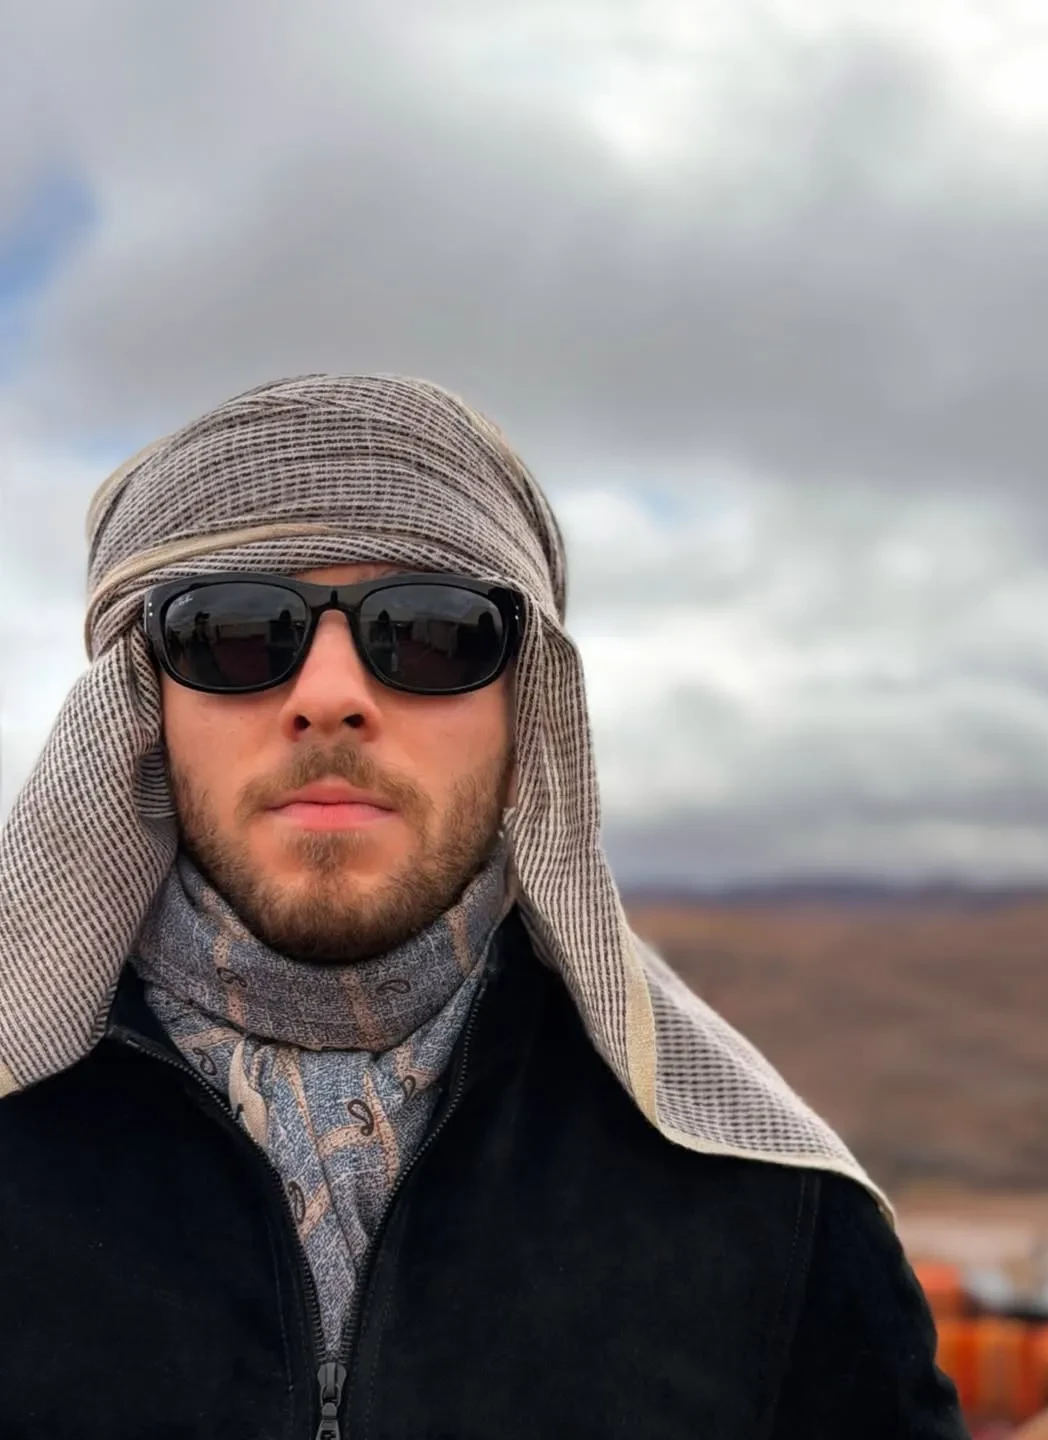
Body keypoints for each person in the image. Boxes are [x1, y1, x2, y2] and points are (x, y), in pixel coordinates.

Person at [0, 375, 968, 1439]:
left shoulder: (774, 1212)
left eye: (431, 632)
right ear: (141, 701)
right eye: (232, 632)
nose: (330, 696)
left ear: (527, 708)